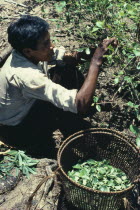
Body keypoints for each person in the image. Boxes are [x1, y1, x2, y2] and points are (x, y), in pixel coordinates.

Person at [0, 15, 117, 157]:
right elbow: (80, 104)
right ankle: (65, 140)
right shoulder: (27, 75)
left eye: (49, 40)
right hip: (18, 132)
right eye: (46, 43)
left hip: (26, 110)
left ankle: (72, 123)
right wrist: (96, 62)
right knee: (64, 106)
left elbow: (66, 56)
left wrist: (96, 51)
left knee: (66, 70)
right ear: (28, 51)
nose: (52, 46)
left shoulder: (27, 53)